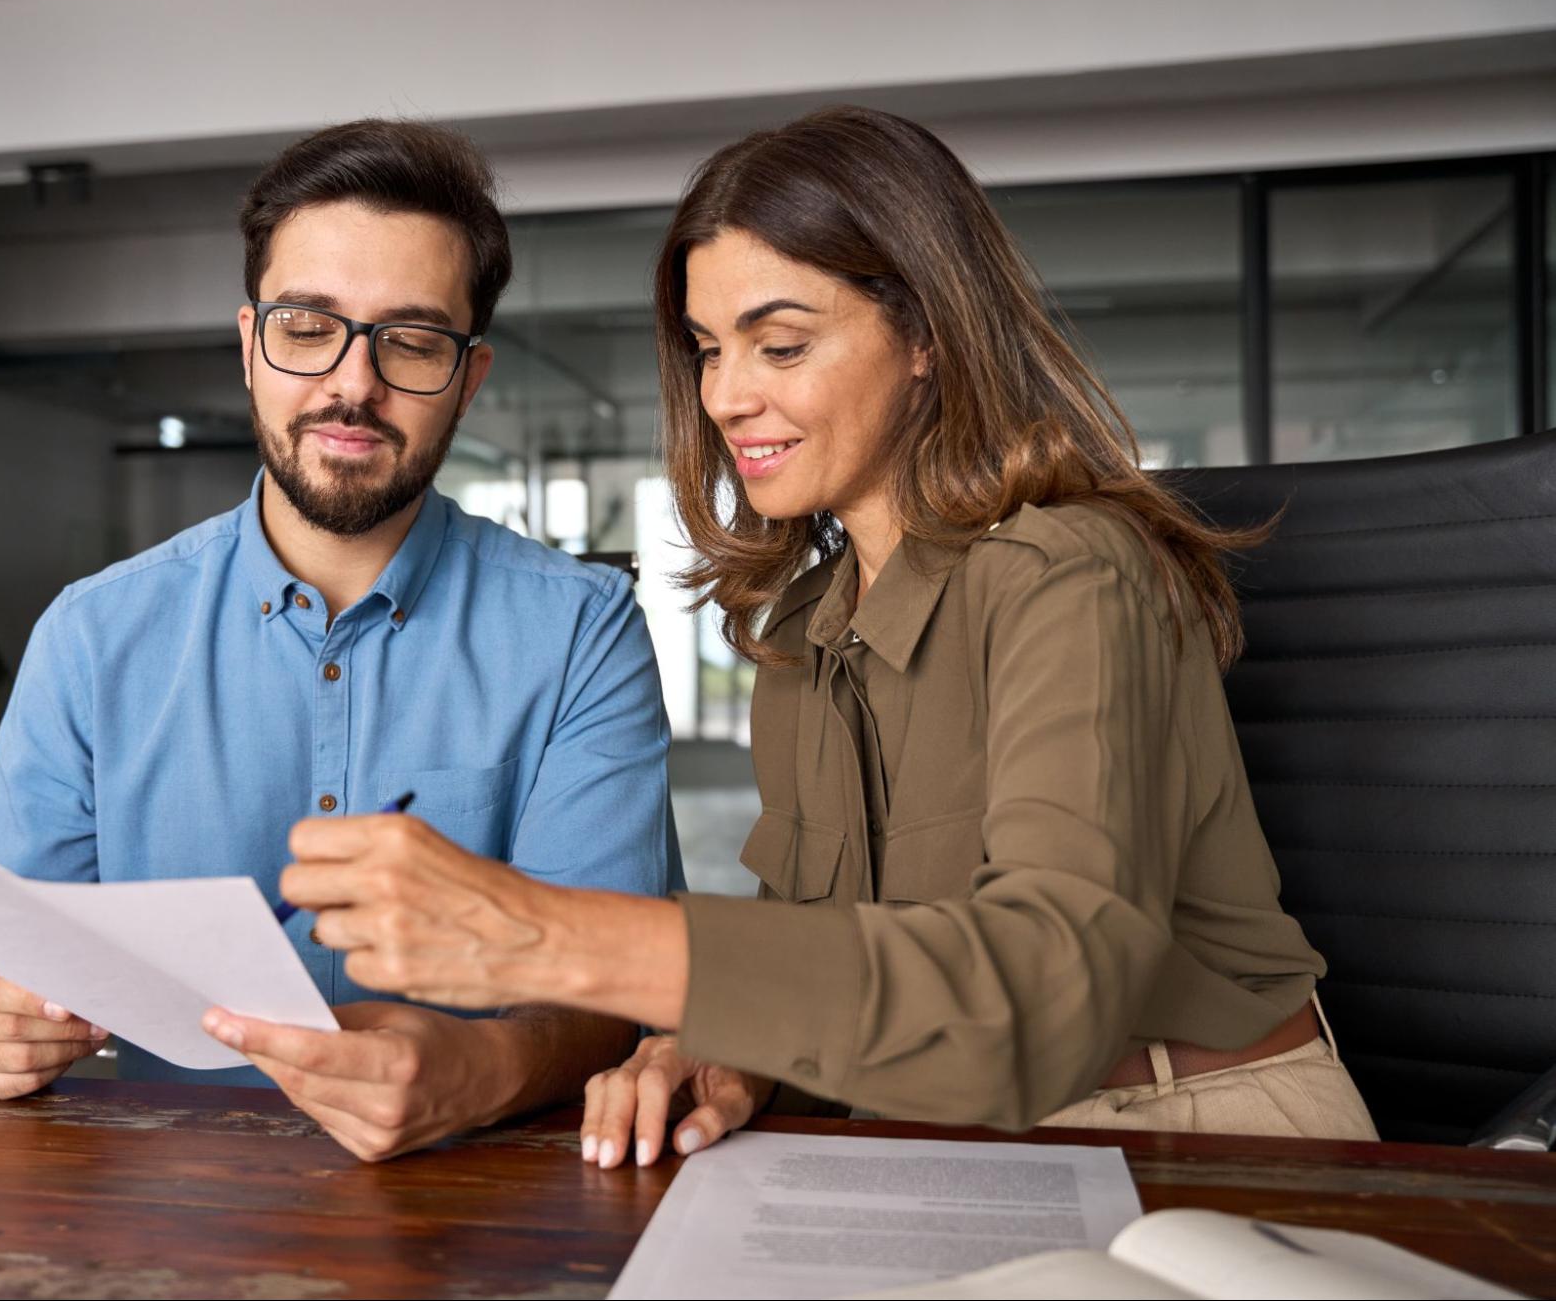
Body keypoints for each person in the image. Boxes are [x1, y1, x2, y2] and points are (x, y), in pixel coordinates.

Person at [266, 107, 1379, 1168]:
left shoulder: (1075, 573)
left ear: (926, 337)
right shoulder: (804, 631)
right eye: (707, 349)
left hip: (1193, 1127)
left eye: (780, 344)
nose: (726, 396)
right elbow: (835, 957)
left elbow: (1042, 995)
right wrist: (735, 1052)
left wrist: (550, 937)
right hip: (945, 1137)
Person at [0, 119, 680, 1162]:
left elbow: (615, 987)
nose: (352, 385)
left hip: (490, 1204)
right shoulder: (95, 636)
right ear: (249, 345)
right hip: (169, 1209)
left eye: (411, 341)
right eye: (308, 325)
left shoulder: (579, 632)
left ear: (469, 376)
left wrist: (480, 1070)